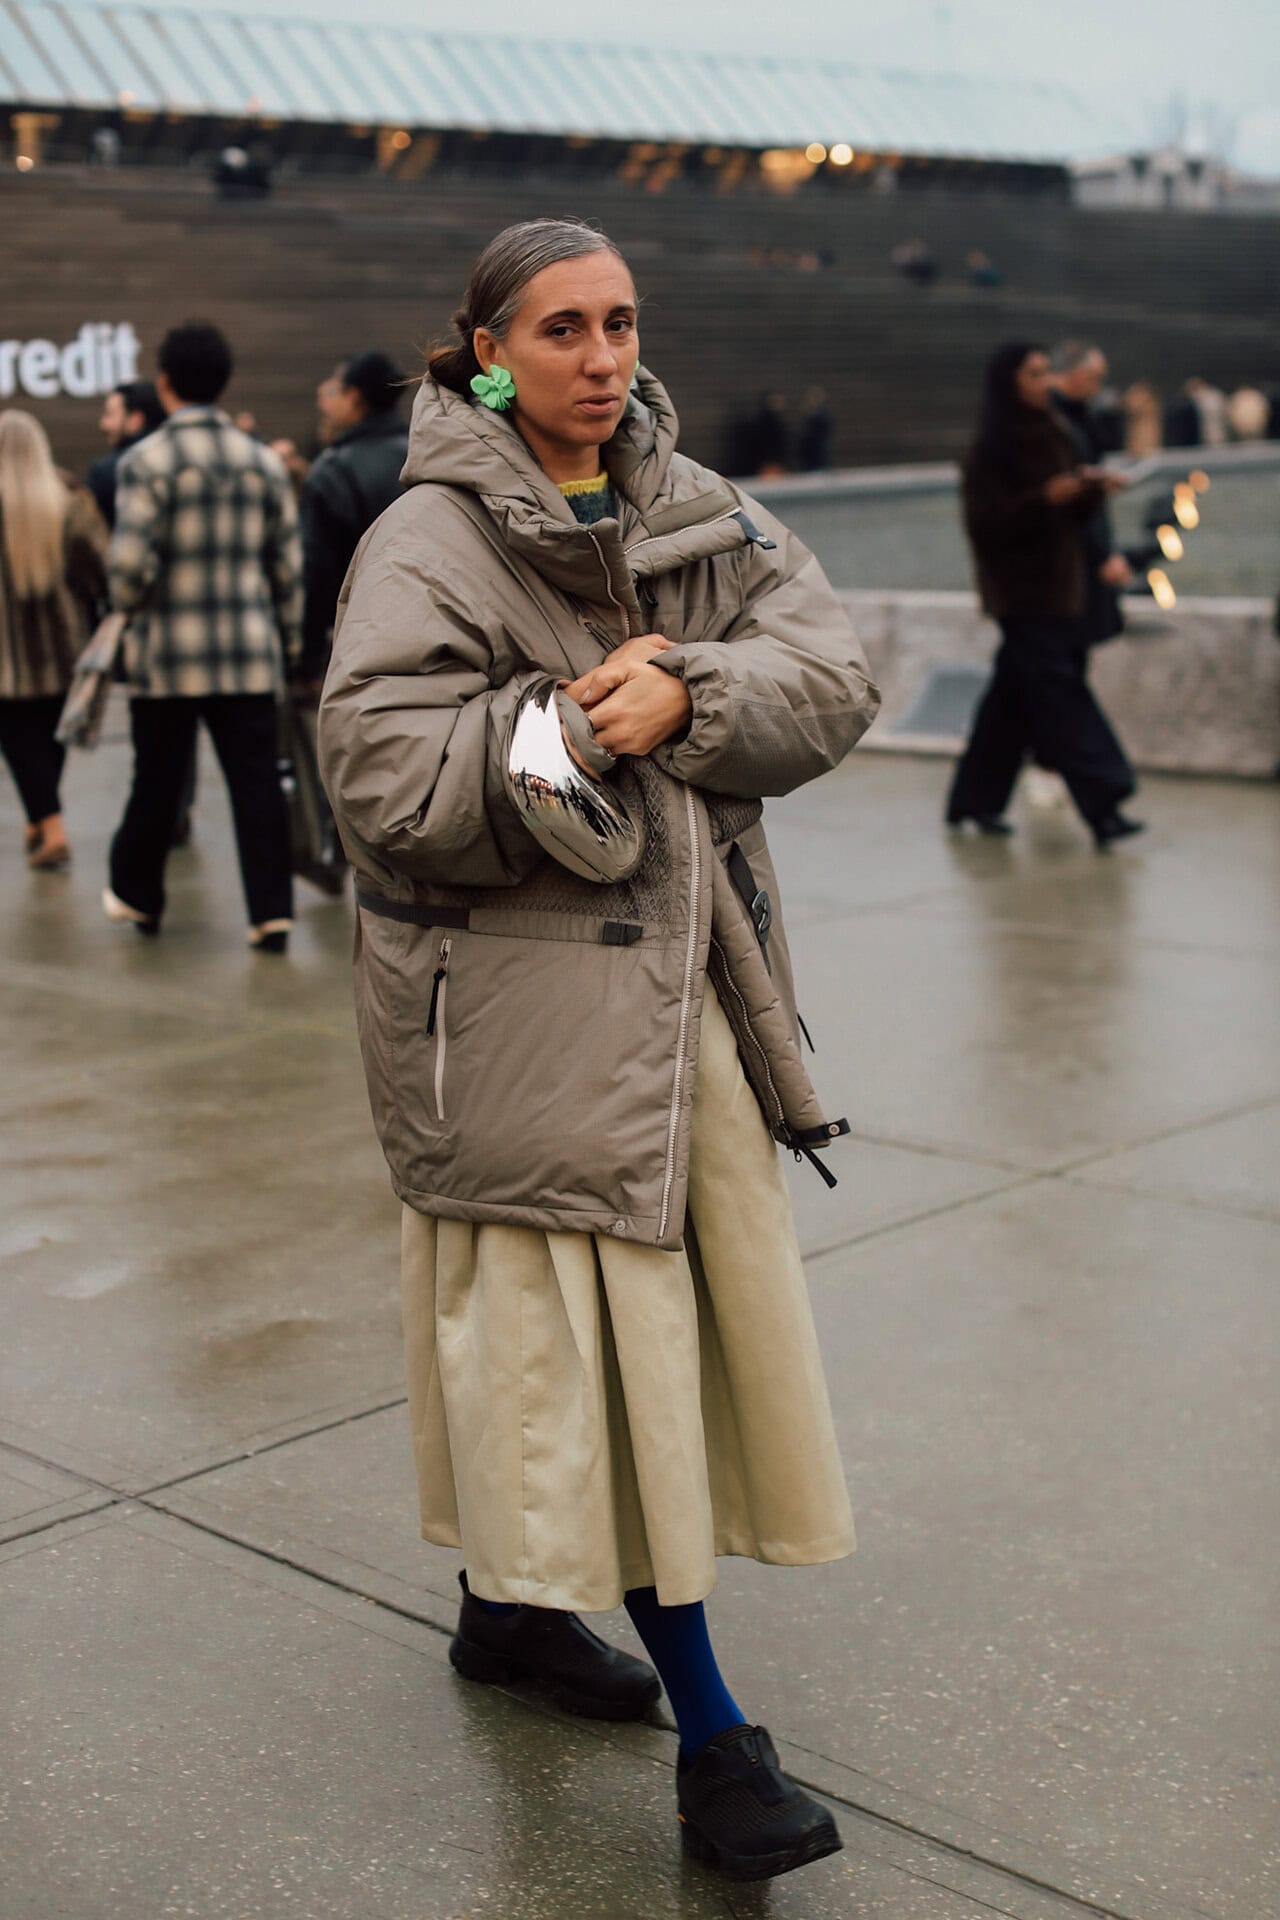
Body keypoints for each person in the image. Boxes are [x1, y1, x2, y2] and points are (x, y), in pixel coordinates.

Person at [318, 218, 880, 1882]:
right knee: (609, 1376)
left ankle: (507, 1614)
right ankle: (717, 1744)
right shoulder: (426, 535)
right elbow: (379, 775)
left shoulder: (695, 504)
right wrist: (567, 729)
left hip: (687, 1015)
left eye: (621, 321)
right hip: (526, 1035)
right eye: (561, 328)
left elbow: (833, 673)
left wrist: (692, 691)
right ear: (489, 352)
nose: (601, 356)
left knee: (593, 1366)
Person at [104, 320, 302, 949]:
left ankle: (140, 898)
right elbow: (287, 568)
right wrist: (288, 642)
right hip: (247, 652)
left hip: (166, 655)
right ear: (223, 382)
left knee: (158, 781)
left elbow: (129, 571)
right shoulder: (262, 463)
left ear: (164, 383)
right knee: (257, 784)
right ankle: (270, 914)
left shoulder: (145, 462)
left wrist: (128, 604)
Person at [945, 341, 1143, 850]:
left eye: (1044, 372)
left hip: (1061, 588)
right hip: (1022, 593)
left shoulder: (1056, 431)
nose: (1044, 382)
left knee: (1011, 701)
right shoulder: (991, 447)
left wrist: (1088, 489)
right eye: (1033, 374)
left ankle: (973, 801)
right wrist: (1046, 500)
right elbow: (986, 525)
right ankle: (1106, 800)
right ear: (1009, 382)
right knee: (1060, 694)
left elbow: (1071, 515)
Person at [0, 411, 107, 869]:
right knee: (50, 736)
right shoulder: (67, 499)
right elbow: (99, 566)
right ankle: (41, 817)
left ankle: (51, 825)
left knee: (17, 739)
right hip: (62, 645)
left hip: (6, 654)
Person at [297, 351, 408, 685]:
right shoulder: (424, 454)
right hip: (433, 627)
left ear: (354, 398)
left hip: (360, 641)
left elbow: (317, 572)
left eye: (335, 389)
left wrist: (309, 655)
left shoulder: (333, 470)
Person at [1049, 340, 1132, 647]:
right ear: (1073, 373)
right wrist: (1102, 554)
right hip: (1066, 563)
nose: (1097, 387)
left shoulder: (1082, 416)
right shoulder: (1052, 423)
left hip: (1078, 560)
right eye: (1094, 377)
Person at [86, 380, 164, 531]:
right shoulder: (182, 462)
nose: (103, 424)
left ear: (135, 420)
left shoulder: (105, 472)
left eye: (109, 415)